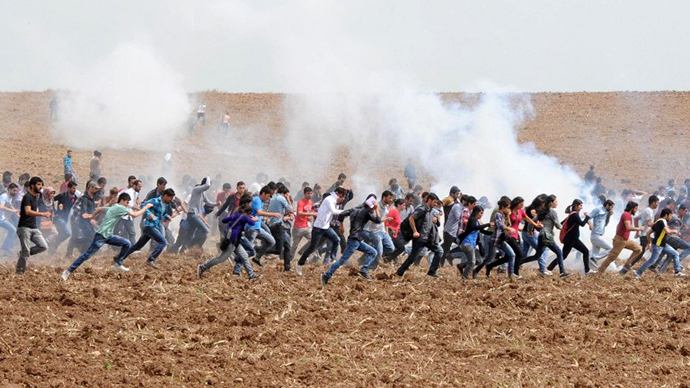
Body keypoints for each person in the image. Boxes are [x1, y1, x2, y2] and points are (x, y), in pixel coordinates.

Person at [61, 193, 153, 280]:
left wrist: (92, 216)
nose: (127, 204)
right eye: (127, 202)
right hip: (101, 235)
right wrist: (146, 207)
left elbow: (100, 209)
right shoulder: (120, 207)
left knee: (127, 243)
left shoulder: (114, 207)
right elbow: (135, 215)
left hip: (108, 235)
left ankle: (118, 263)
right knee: (86, 255)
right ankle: (68, 271)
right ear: (122, 200)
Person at [321, 195, 382, 285]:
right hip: (354, 240)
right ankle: (326, 275)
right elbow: (378, 220)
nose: (373, 210)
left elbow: (341, 214)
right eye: (373, 207)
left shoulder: (354, 209)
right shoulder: (366, 212)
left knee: (373, 252)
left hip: (357, 240)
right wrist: (376, 209)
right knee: (342, 260)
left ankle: (363, 270)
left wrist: (341, 225)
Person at [115, 189, 176, 270]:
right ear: (165, 196)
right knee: (163, 242)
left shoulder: (166, 204)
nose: (171, 200)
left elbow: (161, 214)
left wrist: (167, 216)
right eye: (170, 198)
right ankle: (151, 259)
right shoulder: (155, 201)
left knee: (137, 246)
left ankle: (119, 258)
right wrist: (149, 214)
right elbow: (143, 205)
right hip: (149, 226)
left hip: (155, 226)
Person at [198, 204, 259, 280]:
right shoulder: (243, 217)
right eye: (249, 214)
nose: (249, 215)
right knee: (220, 259)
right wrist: (255, 219)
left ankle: (251, 275)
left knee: (245, 256)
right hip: (232, 243)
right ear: (246, 212)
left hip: (235, 242)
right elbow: (252, 223)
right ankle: (203, 267)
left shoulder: (236, 216)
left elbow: (224, 220)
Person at [295, 187, 347, 276]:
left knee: (336, 240)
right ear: (337, 193)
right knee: (312, 248)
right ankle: (299, 264)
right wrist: (348, 211)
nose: (342, 199)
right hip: (318, 228)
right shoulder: (329, 200)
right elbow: (334, 211)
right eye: (342, 197)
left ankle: (332, 259)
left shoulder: (334, 200)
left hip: (326, 227)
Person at [518, 195, 571, 278]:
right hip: (547, 236)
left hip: (541, 235)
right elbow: (558, 225)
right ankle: (562, 272)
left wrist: (530, 230)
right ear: (551, 203)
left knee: (537, 256)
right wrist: (565, 227)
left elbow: (532, 221)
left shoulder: (542, 211)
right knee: (559, 252)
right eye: (556, 202)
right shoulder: (553, 212)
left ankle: (518, 263)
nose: (557, 204)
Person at [395, 193, 444, 278]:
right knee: (413, 257)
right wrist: (415, 231)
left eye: (436, 203)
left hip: (429, 239)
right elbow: (411, 218)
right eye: (434, 202)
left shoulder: (432, 211)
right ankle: (399, 272)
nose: (436, 204)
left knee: (439, 251)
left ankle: (432, 272)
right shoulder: (422, 209)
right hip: (420, 238)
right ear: (429, 200)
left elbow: (436, 223)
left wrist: (436, 220)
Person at [635, 208, 687, 278]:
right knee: (652, 260)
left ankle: (678, 271)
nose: (671, 217)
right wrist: (675, 231)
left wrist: (650, 243)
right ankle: (638, 272)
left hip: (663, 244)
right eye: (670, 215)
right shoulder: (663, 221)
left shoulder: (657, 221)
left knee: (675, 254)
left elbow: (648, 233)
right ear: (666, 215)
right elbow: (667, 231)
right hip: (658, 245)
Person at [597, 201, 645, 274]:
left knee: (639, 249)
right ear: (632, 208)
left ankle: (627, 264)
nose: (636, 210)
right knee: (612, 257)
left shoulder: (627, 215)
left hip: (624, 239)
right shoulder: (626, 215)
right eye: (635, 208)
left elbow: (618, 226)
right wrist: (639, 229)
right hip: (620, 240)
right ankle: (599, 271)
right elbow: (628, 227)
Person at [15, 177, 50, 274]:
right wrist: (42, 214)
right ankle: (19, 272)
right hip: (24, 227)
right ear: (32, 186)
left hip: (34, 228)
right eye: (38, 184)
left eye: (41, 184)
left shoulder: (36, 197)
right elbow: (28, 211)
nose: (40, 186)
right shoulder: (27, 197)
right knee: (26, 251)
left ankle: (22, 254)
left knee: (43, 246)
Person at [551, 199, 593, 274]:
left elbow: (562, 223)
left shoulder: (572, 214)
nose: (581, 207)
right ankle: (549, 268)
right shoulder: (574, 215)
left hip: (572, 239)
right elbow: (582, 224)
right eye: (580, 206)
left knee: (584, 251)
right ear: (576, 206)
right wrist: (587, 217)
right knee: (564, 256)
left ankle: (587, 270)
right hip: (571, 239)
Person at [246, 186, 280, 266]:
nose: (268, 198)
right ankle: (238, 263)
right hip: (251, 228)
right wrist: (273, 214)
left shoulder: (260, 201)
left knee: (271, 241)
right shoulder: (257, 200)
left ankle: (256, 258)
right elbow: (259, 213)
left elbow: (261, 212)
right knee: (248, 250)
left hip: (257, 228)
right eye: (268, 196)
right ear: (263, 193)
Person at [455, 206, 493, 278]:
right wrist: (488, 224)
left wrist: (492, 233)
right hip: (467, 243)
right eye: (481, 213)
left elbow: (482, 231)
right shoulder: (472, 219)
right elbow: (474, 228)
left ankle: (461, 265)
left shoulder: (477, 222)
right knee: (472, 262)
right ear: (476, 212)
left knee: (479, 261)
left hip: (472, 245)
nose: (482, 215)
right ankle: (464, 277)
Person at [362, 190, 395, 270]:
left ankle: (368, 256)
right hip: (374, 232)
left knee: (391, 248)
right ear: (384, 197)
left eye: (392, 198)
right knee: (379, 253)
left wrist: (385, 231)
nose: (391, 200)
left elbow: (382, 221)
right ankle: (371, 268)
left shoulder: (386, 207)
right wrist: (386, 219)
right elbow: (375, 220)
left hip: (382, 231)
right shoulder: (376, 206)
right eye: (389, 198)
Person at [66, 181, 99, 257]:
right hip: (76, 218)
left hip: (83, 219)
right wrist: (91, 218)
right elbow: (83, 213)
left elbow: (90, 210)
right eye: (95, 188)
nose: (97, 190)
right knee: (76, 235)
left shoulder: (91, 197)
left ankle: (81, 251)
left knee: (90, 235)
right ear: (90, 188)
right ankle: (71, 252)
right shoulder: (84, 197)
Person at [266, 185, 295, 271]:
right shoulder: (281, 198)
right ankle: (259, 250)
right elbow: (291, 209)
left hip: (275, 225)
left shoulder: (273, 198)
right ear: (284, 193)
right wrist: (288, 199)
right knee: (278, 249)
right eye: (287, 195)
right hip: (278, 225)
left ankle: (287, 267)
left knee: (287, 246)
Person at [186, 177, 214, 249]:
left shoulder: (202, 193)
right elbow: (199, 214)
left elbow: (208, 202)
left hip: (195, 216)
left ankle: (190, 247)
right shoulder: (196, 190)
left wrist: (217, 204)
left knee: (192, 234)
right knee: (205, 230)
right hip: (191, 215)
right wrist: (208, 177)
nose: (208, 188)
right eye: (209, 185)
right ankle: (192, 245)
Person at [50, 181, 77, 254]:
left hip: (65, 219)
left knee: (62, 233)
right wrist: (54, 210)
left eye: (75, 189)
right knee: (67, 233)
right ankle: (54, 244)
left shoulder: (75, 198)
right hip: (58, 218)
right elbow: (51, 200)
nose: (74, 190)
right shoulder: (62, 195)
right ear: (68, 188)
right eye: (73, 188)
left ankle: (52, 247)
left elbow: (76, 207)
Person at [587, 199, 615, 270]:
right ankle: (594, 258)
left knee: (593, 258)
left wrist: (610, 215)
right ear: (607, 205)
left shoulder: (606, 212)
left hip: (599, 235)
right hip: (595, 235)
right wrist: (590, 224)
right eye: (611, 207)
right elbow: (587, 217)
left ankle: (588, 270)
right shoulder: (598, 210)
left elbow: (605, 224)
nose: (612, 209)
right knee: (611, 248)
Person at [291, 186, 317, 258]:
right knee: (295, 245)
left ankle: (301, 251)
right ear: (304, 194)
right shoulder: (301, 202)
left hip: (306, 226)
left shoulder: (310, 202)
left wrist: (310, 217)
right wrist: (311, 214)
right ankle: (290, 257)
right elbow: (299, 213)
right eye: (308, 193)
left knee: (313, 240)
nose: (310, 195)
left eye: (311, 193)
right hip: (298, 227)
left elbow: (310, 211)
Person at [115, 179, 142, 245]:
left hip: (128, 216)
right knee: (117, 231)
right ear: (134, 185)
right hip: (123, 215)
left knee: (132, 233)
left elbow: (135, 202)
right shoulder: (129, 192)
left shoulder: (135, 193)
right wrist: (140, 209)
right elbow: (129, 204)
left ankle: (133, 247)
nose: (140, 189)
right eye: (139, 187)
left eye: (141, 187)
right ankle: (113, 246)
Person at [383, 199, 406, 264]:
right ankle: (387, 257)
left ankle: (388, 258)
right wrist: (387, 232)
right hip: (390, 233)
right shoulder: (393, 211)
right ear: (398, 205)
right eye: (403, 205)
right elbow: (387, 221)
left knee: (400, 248)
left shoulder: (398, 213)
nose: (404, 207)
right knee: (401, 248)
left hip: (395, 234)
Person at [0, 183, 19, 254]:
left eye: (16, 191)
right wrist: (13, 211)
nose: (15, 192)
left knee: (12, 229)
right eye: (14, 190)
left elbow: (10, 204)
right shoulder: (4, 196)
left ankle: (5, 247)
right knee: (12, 229)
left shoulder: (9, 197)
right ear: (9, 189)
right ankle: (5, 247)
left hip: (2, 219)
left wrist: (17, 213)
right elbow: (1, 206)